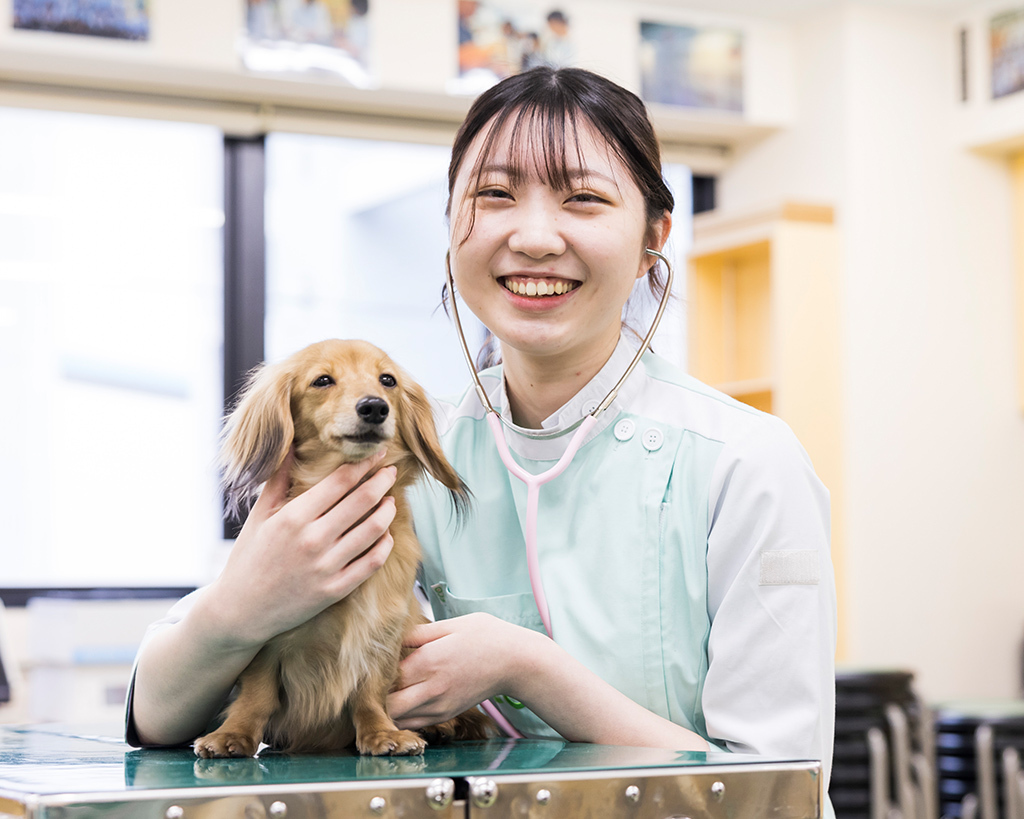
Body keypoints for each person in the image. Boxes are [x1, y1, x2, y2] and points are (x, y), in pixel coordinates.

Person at [126, 66, 836, 804]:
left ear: (654, 234)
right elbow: (158, 713)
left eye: (584, 198)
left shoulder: (747, 462)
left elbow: (778, 789)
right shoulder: (408, 452)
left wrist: (527, 666)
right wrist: (238, 608)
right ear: (452, 224)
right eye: (494, 195)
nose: (532, 237)